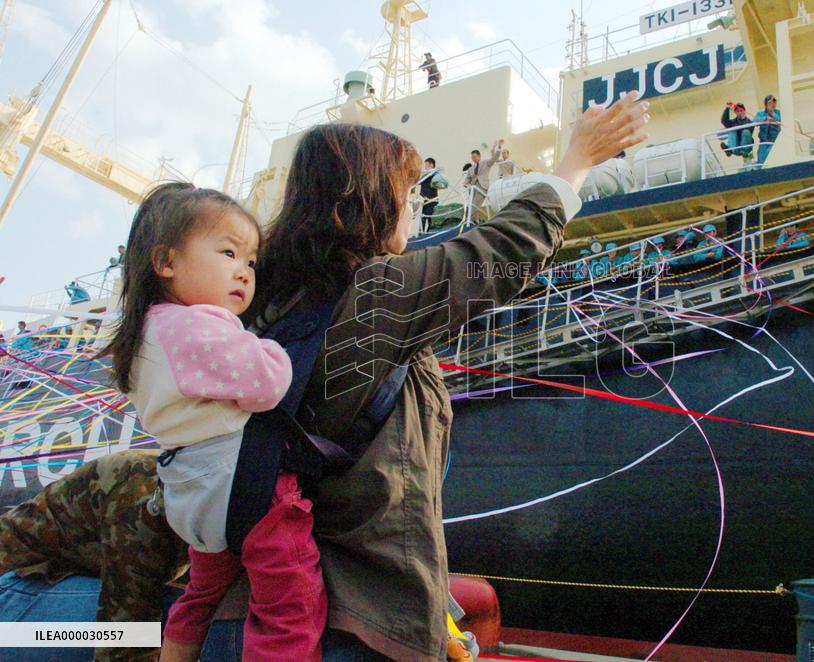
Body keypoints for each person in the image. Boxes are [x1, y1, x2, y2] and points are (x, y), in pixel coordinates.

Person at [238, 92, 649, 661]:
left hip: (277, 596)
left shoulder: (267, 306)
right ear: (369, 201)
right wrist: (576, 160)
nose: (413, 208)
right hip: (358, 620)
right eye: (405, 194)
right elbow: (502, 252)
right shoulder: (379, 294)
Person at [98, 182, 325, 662]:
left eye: (250, 262)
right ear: (167, 263)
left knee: (197, 596)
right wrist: (274, 347)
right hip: (245, 490)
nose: (243, 272)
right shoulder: (195, 325)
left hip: (193, 497)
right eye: (228, 252)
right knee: (291, 606)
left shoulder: (147, 333)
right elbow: (269, 382)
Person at [0, 450, 189, 662]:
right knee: (174, 621)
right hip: (12, 592)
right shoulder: (145, 488)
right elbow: (125, 636)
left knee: (186, 618)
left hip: (51, 584)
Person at [463, 139, 503, 220]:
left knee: (474, 204)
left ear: (479, 156)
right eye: (472, 157)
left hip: (482, 186)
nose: (473, 159)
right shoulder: (471, 169)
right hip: (473, 188)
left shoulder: (485, 163)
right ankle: (474, 221)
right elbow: (468, 178)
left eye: (474, 157)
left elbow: (494, 158)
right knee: (473, 204)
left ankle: (468, 219)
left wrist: (499, 147)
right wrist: (465, 183)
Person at [419, 157, 449, 232]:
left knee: (431, 219)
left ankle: (429, 232)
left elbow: (441, 178)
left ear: (432, 165)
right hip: (423, 200)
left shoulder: (436, 174)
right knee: (422, 219)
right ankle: (420, 234)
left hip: (432, 200)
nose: (425, 167)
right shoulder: (423, 175)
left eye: (427, 165)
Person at [720, 102, 754, 166]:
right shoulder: (733, 122)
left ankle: (730, 149)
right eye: (738, 111)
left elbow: (749, 132)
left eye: (741, 111)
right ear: (735, 113)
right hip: (735, 148)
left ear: (745, 111)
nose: (740, 113)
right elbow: (724, 121)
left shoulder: (749, 122)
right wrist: (727, 109)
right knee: (732, 129)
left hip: (745, 149)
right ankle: (729, 150)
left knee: (746, 131)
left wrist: (743, 119)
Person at [753, 95, 781, 165]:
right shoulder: (760, 114)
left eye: (774, 102)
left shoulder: (778, 113)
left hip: (775, 142)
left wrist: (772, 114)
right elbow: (754, 121)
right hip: (763, 142)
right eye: (770, 102)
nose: (772, 104)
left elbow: (780, 120)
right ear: (765, 104)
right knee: (761, 160)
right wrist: (765, 118)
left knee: (770, 155)